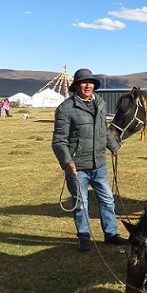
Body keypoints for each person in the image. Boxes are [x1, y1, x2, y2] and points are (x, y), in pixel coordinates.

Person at [52, 68, 128, 252]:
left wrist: (113, 146)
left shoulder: (100, 104)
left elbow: (102, 129)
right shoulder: (66, 109)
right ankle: (84, 237)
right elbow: (58, 141)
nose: (88, 85)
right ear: (76, 86)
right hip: (77, 167)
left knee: (108, 200)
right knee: (81, 203)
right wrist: (67, 163)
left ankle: (111, 235)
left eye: (91, 82)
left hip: (99, 164)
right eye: (83, 82)